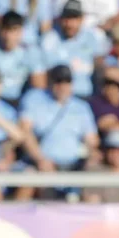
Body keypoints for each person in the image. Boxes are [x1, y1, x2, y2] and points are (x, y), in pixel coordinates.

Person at [17, 64, 100, 198]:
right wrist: (41, 160)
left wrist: (92, 155)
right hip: (42, 164)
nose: (62, 86)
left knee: (93, 186)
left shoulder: (81, 107)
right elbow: (25, 132)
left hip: (73, 166)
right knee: (30, 180)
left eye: (67, 82)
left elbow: (91, 139)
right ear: (50, 82)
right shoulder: (34, 100)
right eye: (58, 81)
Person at [39, 0, 110, 98]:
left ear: (82, 19)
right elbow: (44, 74)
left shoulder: (92, 37)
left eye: (74, 19)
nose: (69, 24)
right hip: (58, 96)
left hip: (86, 95)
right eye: (66, 19)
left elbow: (100, 65)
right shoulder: (49, 39)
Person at [0, 11, 44, 104]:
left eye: (14, 30)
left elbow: (38, 88)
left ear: (21, 32)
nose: (9, 36)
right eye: (6, 30)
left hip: (17, 103)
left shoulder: (30, 52)